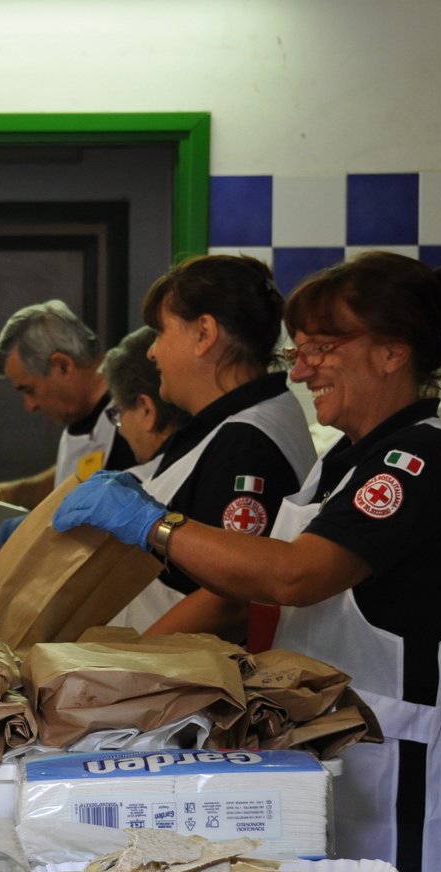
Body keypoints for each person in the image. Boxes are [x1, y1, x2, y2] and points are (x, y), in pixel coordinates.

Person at [55, 251, 441, 872]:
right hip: (339, 762)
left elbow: (294, 575)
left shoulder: (419, 461)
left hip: (400, 785)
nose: (300, 368)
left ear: (392, 352)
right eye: (301, 348)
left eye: (322, 348)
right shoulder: (345, 460)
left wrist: (155, 526)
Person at [112, 256, 316, 640]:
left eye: (160, 332)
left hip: (187, 685)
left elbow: (231, 601)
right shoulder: (224, 425)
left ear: (204, 334)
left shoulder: (248, 440)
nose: (152, 352)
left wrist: (120, 663)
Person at [0, 298, 136, 510]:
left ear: (62, 366)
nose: (30, 406)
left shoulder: (135, 416)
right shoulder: (82, 419)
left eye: (30, 390)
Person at [100, 325, 188, 476]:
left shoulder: (131, 492)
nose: (119, 430)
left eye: (117, 413)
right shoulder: (216, 456)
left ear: (146, 409)